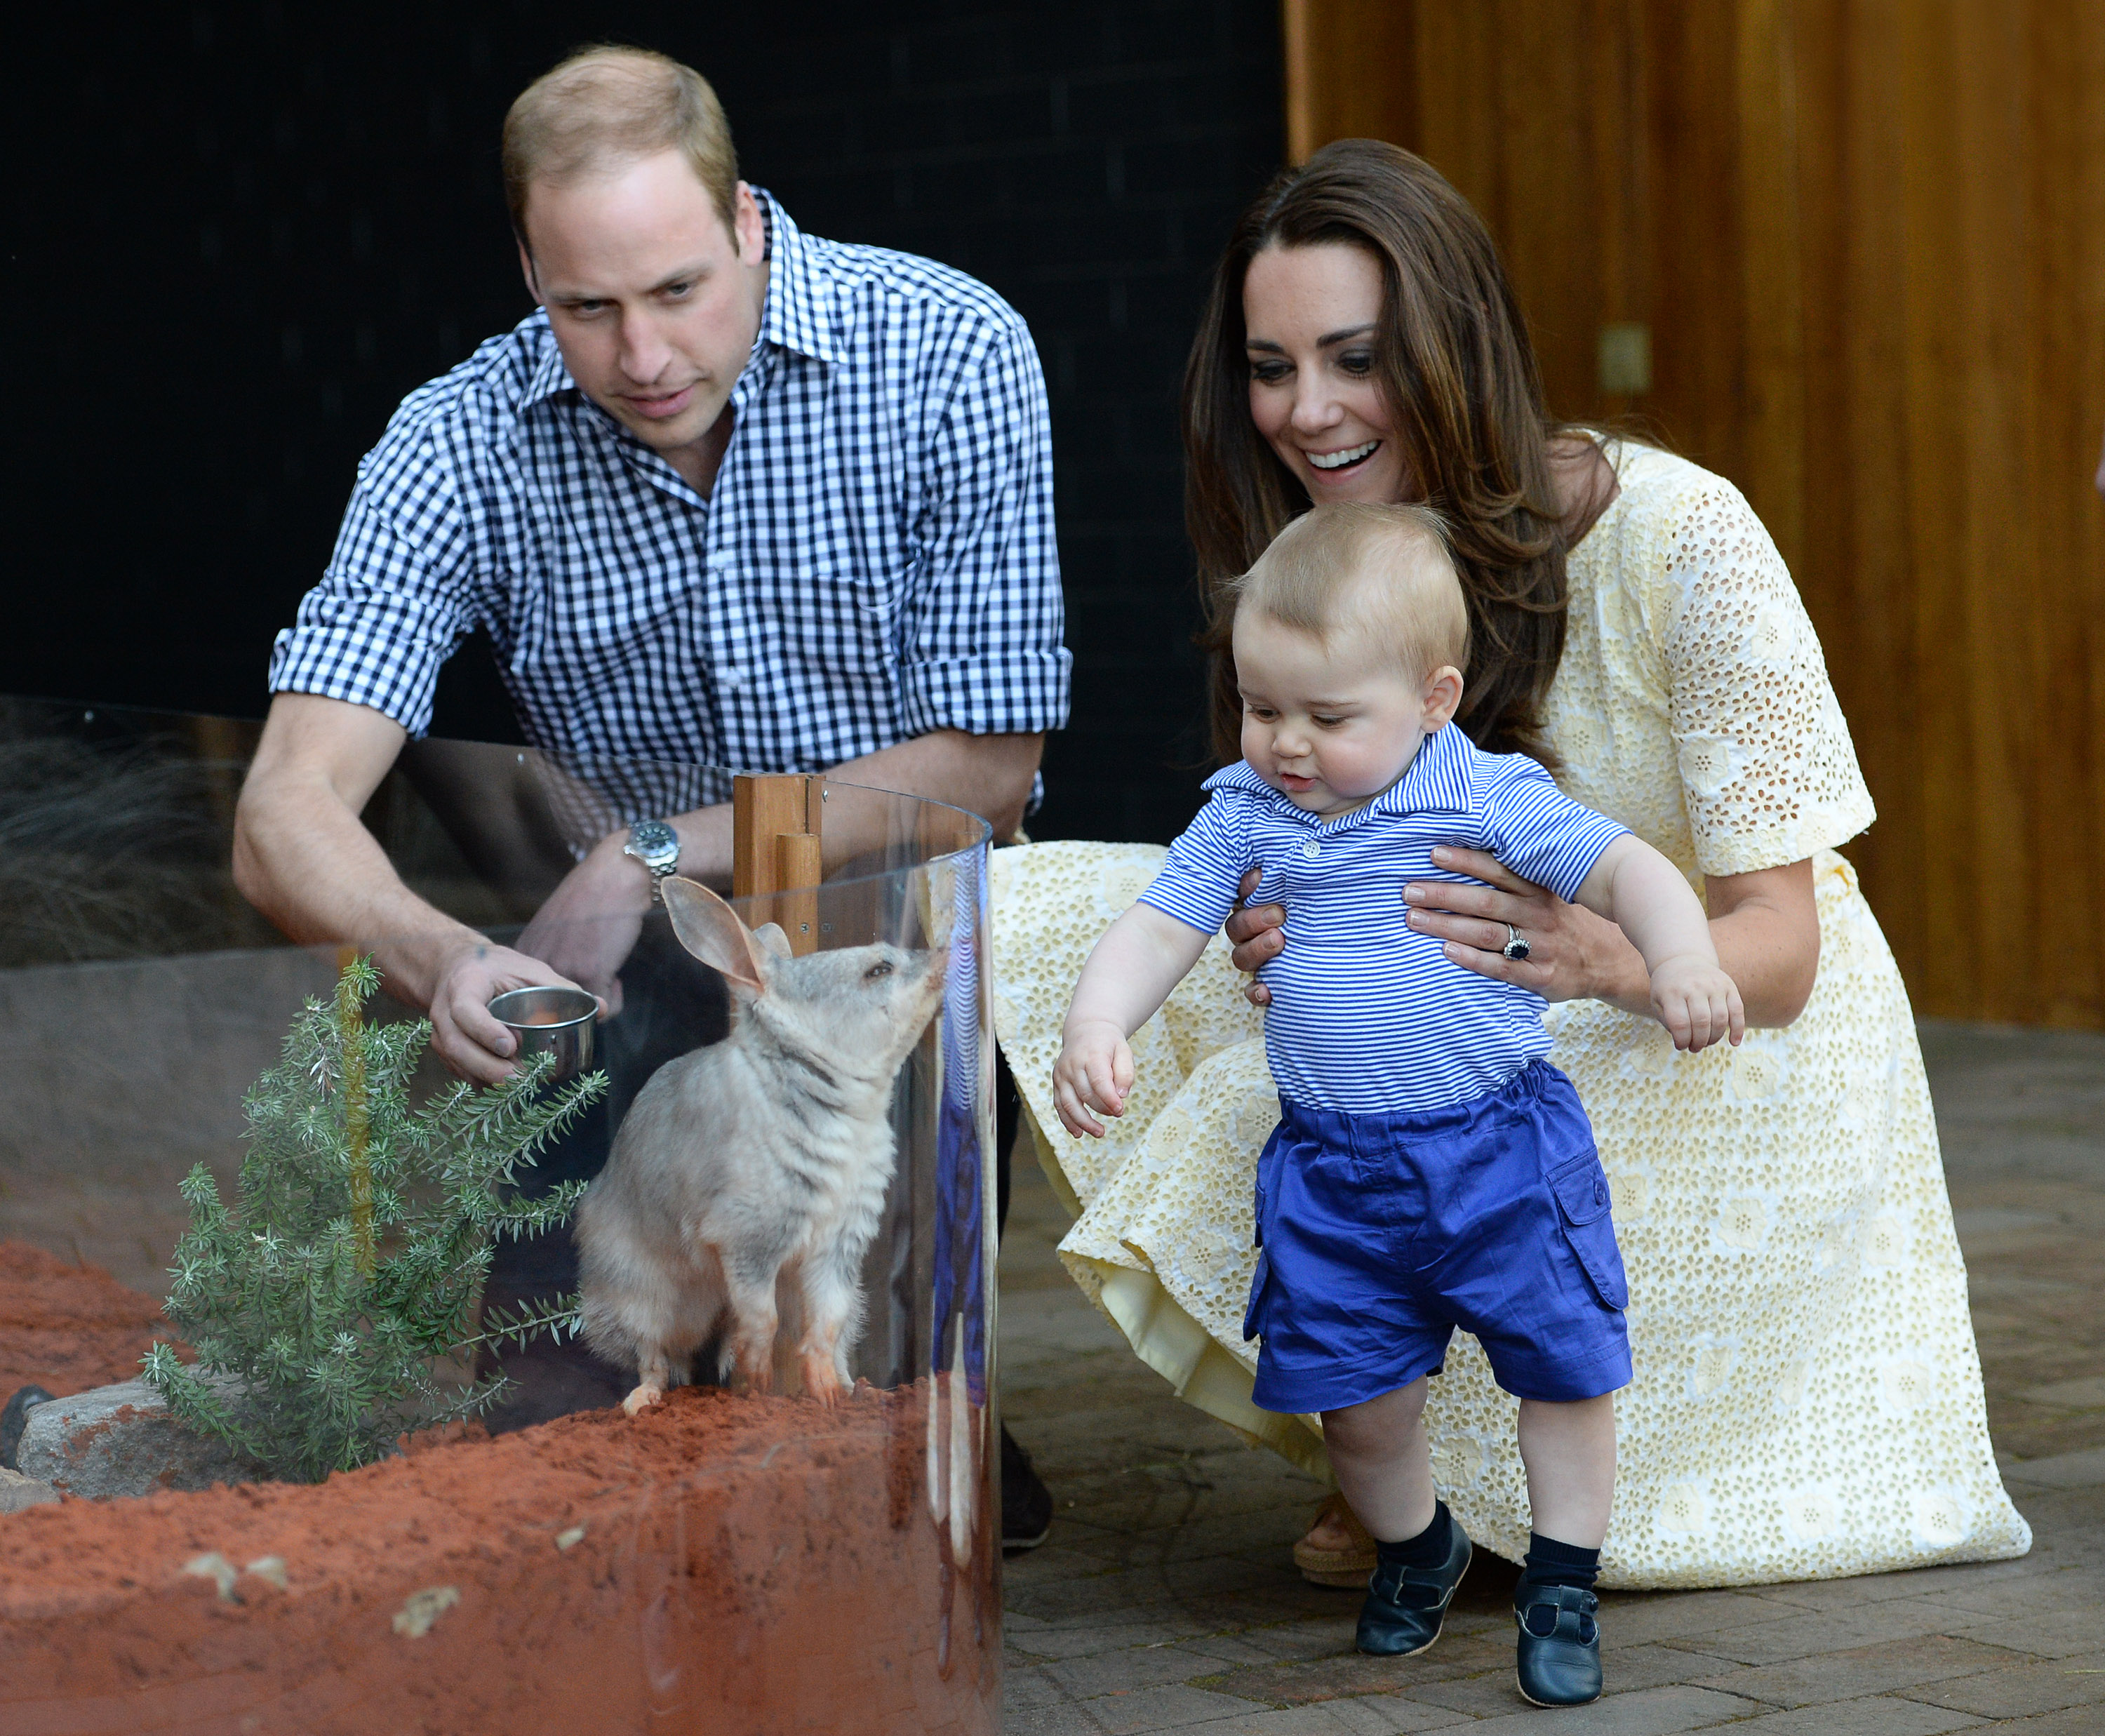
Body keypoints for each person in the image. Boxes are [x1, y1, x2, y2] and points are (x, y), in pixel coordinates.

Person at [989, 140, 2029, 1595]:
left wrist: (1606, 958)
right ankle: (1389, 1444)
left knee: (1307, 1105)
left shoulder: (1682, 533)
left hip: (1704, 1015)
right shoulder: (1319, 555)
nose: (1308, 410)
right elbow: (1285, 835)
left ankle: (1453, 1472)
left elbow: (1785, 945)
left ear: (1453, 344)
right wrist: (1268, 920)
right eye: (1272, 367)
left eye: (1355, 358)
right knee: (1057, 919)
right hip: (1464, 983)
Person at [230, 46, 1062, 1542]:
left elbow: (990, 760)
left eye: (679, 289)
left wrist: (655, 847)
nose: (644, 356)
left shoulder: (950, 347)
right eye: (588, 307)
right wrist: (446, 956)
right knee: (563, 1457)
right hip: (636, 1004)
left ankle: (923, 1413)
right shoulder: (458, 441)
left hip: (888, 966)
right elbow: (282, 810)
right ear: (528, 271)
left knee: (882, 1489)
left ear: (748, 222)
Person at [1054, 503, 1741, 1702]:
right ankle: (1423, 1544)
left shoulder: (1482, 792)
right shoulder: (1245, 812)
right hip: (1334, 1168)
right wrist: (1098, 1018)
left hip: (1500, 1149)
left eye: (1328, 717)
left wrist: (1677, 955)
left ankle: (1565, 1577)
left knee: (1563, 1368)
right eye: (1264, 708)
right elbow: (1161, 922)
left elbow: (1623, 865)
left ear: (1433, 697)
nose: (1288, 745)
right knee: (1358, 1411)